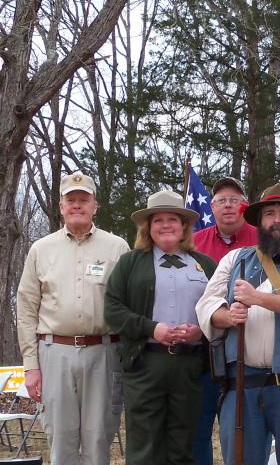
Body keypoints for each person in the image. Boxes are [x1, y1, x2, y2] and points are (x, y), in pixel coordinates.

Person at [195, 183, 280, 465]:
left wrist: (257, 298)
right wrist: (228, 316)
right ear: (259, 221)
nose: (276, 220)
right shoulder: (235, 259)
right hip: (241, 384)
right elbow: (207, 305)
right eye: (270, 213)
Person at [16, 172, 129, 465]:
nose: (77, 205)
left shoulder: (117, 247)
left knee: (98, 439)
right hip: (54, 354)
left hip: (104, 353)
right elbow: (26, 309)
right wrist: (31, 366)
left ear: (95, 206)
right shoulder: (41, 249)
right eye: (71, 200)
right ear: (61, 206)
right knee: (61, 441)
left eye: (84, 199)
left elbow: (131, 304)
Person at [104, 190, 215, 465]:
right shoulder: (131, 263)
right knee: (145, 447)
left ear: (184, 226)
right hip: (145, 364)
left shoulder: (205, 265)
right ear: (148, 227)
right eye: (158, 220)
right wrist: (152, 329)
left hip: (190, 368)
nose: (166, 225)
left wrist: (201, 332)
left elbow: (217, 310)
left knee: (183, 445)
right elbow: (113, 310)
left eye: (173, 219)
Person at [191, 176, 258, 465]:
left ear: (245, 206)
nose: (228, 206)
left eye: (234, 200)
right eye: (221, 201)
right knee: (198, 430)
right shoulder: (195, 242)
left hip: (248, 353)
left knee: (244, 433)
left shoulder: (262, 238)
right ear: (212, 207)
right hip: (202, 352)